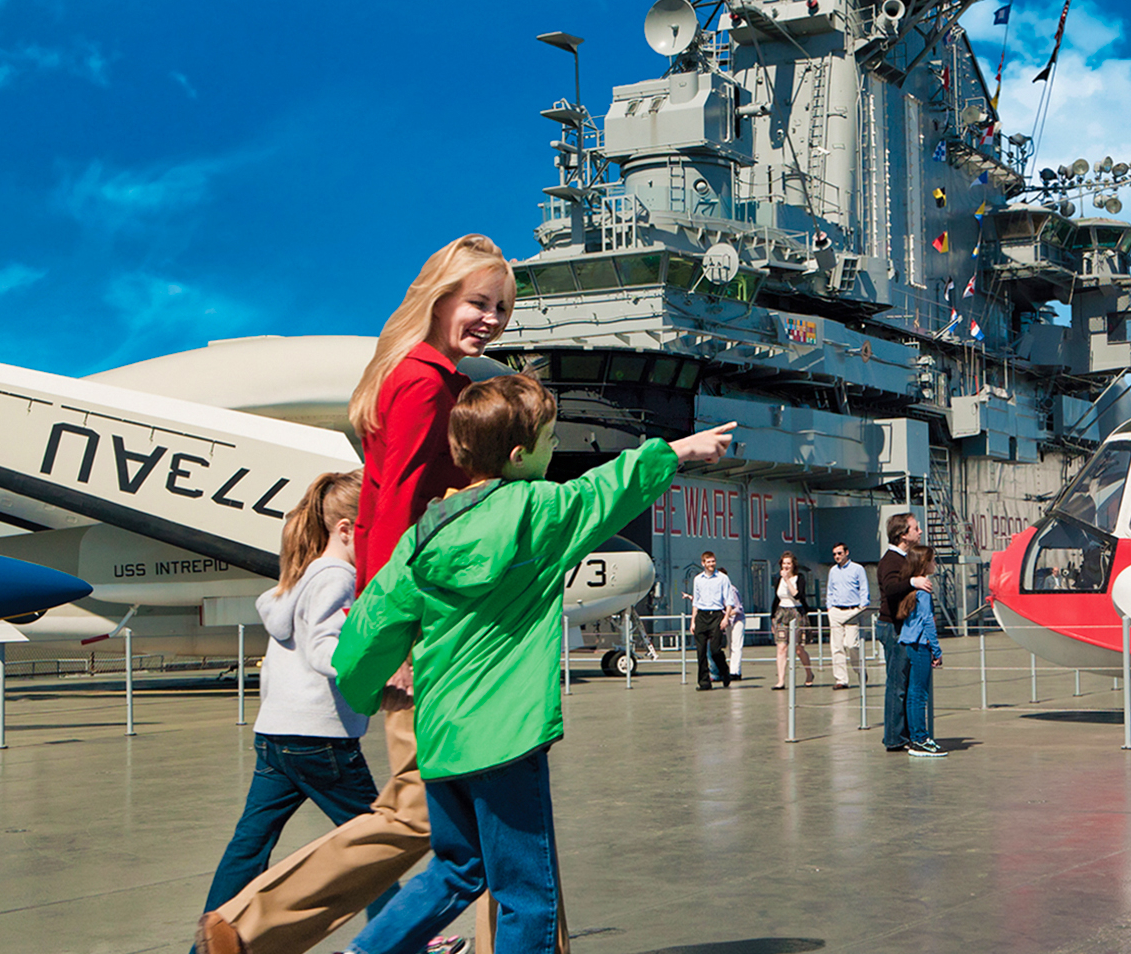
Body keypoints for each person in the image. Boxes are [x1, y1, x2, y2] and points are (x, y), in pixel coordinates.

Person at [330, 374, 736, 954]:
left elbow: (369, 629)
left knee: (457, 870)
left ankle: (365, 952)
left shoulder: (423, 535)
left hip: (443, 736)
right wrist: (680, 450)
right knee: (527, 895)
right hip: (507, 737)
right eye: (549, 439)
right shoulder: (538, 511)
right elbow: (607, 488)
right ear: (520, 456)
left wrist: (364, 689)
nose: (554, 449)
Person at [198, 234, 521, 954]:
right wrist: (394, 631)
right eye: (478, 302)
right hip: (435, 629)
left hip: (438, 624)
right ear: (440, 299)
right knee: (424, 814)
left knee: (485, 819)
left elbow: (379, 508)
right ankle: (249, 929)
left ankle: (250, 928)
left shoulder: (410, 375)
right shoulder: (428, 384)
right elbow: (399, 510)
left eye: (501, 307)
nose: (492, 320)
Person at [198, 471, 398, 925]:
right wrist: (384, 675)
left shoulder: (300, 577)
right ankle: (401, 938)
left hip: (275, 736)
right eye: (372, 529)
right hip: (321, 740)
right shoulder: (339, 577)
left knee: (249, 847)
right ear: (346, 529)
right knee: (374, 840)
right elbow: (326, 650)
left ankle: (209, 941)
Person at [877, 513, 932, 752]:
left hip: (900, 626)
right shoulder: (891, 560)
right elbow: (890, 588)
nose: (919, 532)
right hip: (893, 627)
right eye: (915, 529)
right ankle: (894, 737)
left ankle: (903, 733)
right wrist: (913, 582)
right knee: (898, 684)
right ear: (903, 535)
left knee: (905, 682)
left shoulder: (902, 558)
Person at [896, 545, 946, 757]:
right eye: (932, 560)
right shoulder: (923, 591)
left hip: (910, 643)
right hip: (921, 644)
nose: (935, 564)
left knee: (913, 693)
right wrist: (936, 649)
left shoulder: (912, 590)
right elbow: (927, 622)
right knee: (919, 693)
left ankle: (917, 737)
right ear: (924, 563)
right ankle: (920, 739)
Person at [824, 542, 869, 689]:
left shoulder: (858, 569)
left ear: (846, 552)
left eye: (839, 553)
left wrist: (863, 605)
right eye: (835, 554)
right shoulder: (833, 571)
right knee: (836, 647)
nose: (837, 556)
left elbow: (863, 587)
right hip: (836, 610)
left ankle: (860, 671)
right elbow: (830, 589)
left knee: (851, 644)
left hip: (852, 610)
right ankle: (841, 679)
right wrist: (829, 607)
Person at [688, 551, 735, 690]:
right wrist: (693, 621)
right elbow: (696, 602)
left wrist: (726, 617)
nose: (711, 564)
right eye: (708, 562)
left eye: (713, 561)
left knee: (715, 650)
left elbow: (729, 600)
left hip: (716, 615)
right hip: (702, 616)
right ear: (703, 563)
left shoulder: (723, 578)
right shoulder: (698, 579)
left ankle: (724, 671)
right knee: (701, 651)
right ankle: (704, 682)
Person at [770, 551, 815, 690]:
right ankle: (781, 680)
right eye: (784, 563)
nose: (786, 566)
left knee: (798, 648)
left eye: (788, 563)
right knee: (781, 647)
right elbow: (776, 599)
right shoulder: (778, 580)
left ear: (793, 565)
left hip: (797, 612)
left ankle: (809, 673)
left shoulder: (799, 578)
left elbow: (797, 595)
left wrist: (788, 580)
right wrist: (773, 617)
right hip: (782, 613)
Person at [719, 568, 747, 680]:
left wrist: (727, 614)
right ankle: (732, 669)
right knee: (730, 645)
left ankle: (736, 672)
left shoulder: (732, 590)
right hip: (728, 620)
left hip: (737, 620)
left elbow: (739, 608)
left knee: (736, 645)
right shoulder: (719, 591)